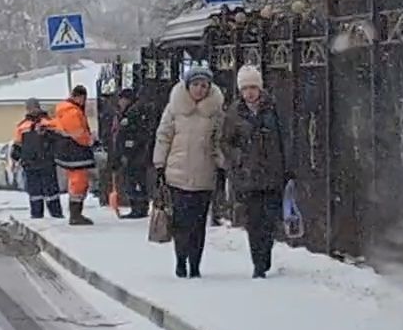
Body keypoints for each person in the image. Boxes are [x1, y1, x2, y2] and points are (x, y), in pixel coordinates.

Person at [219, 65, 290, 278]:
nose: (250, 92)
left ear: (259, 88)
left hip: (271, 174)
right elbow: (225, 142)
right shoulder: (234, 113)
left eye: (253, 87)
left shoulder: (272, 109)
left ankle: (265, 255)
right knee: (253, 222)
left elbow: (284, 137)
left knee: (269, 221)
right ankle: (258, 264)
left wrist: (287, 167)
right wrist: (238, 158)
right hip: (247, 177)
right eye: (245, 88)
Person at [154, 64, 224, 277]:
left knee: (198, 223)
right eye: (196, 84)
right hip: (177, 175)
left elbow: (219, 141)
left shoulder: (215, 111)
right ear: (187, 86)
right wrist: (159, 164)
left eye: (204, 85)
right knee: (181, 222)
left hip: (204, 174)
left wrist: (221, 166)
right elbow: (163, 135)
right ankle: (181, 259)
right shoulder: (174, 108)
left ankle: (195, 264)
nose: (200, 89)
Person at [51, 85, 97, 226]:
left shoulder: (65, 110)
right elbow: (77, 133)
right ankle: (76, 215)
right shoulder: (72, 111)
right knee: (79, 182)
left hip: (69, 150)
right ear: (80, 97)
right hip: (75, 152)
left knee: (77, 182)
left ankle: (76, 213)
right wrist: (90, 140)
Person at [12, 98, 62, 220]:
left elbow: (58, 138)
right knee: (34, 192)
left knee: (51, 190)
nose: (32, 110)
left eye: (34, 107)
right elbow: (18, 144)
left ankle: (56, 214)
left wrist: (47, 133)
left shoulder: (49, 122)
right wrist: (15, 157)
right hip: (30, 163)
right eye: (30, 108)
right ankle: (36, 214)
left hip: (47, 162)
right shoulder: (22, 126)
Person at [113, 87, 148, 219]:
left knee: (134, 179)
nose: (120, 102)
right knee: (133, 179)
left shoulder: (133, 113)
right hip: (134, 153)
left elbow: (132, 134)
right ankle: (138, 206)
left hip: (134, 154)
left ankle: (138, 207)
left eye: (122, 99)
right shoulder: (128, 113)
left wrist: (128, 149)